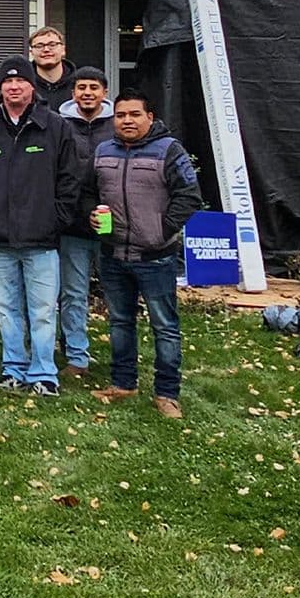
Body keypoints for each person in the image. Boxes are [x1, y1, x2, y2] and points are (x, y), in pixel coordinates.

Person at [0, 57, 80, 397]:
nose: (14, 87)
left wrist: (56, 218)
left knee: (42, 310)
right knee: (7, 309)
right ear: (1, 88)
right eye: (8, 82)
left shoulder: (55, 127)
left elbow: (70, 179)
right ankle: (13, 367)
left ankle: (43, 372)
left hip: (41, 238)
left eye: (21, 82)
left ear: (32, 86)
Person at [91, 90, 204, 418]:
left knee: (164, 325)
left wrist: (162, 230)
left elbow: (189, 195)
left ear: (150, 117)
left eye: (134, 114)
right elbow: (88, 192)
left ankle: (167, 393)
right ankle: (124, 383)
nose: (127, 120)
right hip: (113, 253)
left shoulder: (169, 150)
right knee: (120, 322)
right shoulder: (103, 151)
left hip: (156, 257)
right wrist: (90, 214)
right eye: (121, 115)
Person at [57, 66, 115, 378]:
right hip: (73, 225)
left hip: (110, 225)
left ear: (104, 92)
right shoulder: (60, 125)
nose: (87, 93)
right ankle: (77, 357)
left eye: (93, 87)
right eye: (81, 88)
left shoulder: (117, 125)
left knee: (116, 292)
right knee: (73, 294)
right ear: (73, 93)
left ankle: (122, 355)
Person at [28, 27, 76, 113]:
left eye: (52, 45)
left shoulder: (79, 84)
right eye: (39, 46)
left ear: (63, 50)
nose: (46, 50)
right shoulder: (25, 86)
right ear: (31, 52)